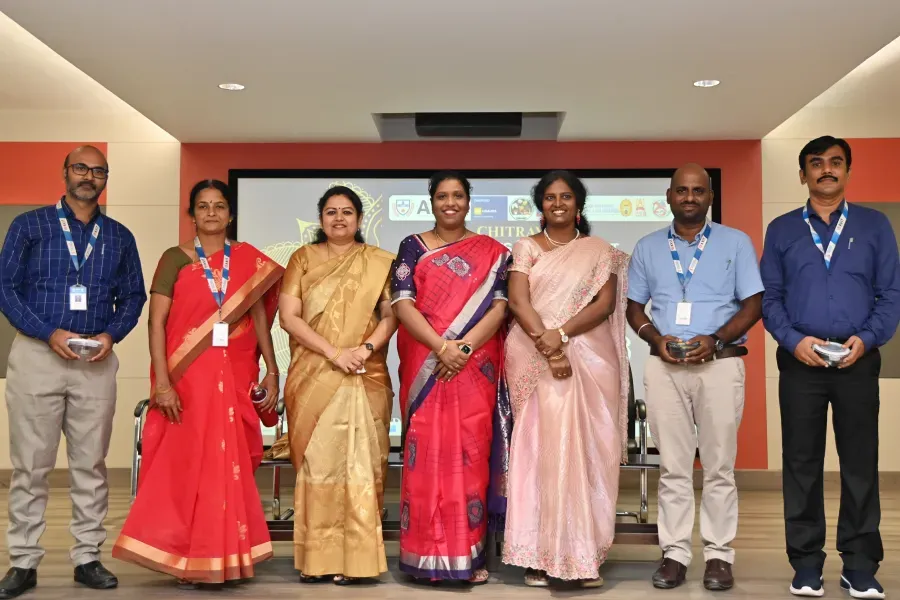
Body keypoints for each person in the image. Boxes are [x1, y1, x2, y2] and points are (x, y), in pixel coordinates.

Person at [111, 179, 283, 585]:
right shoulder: (174, 259)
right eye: (203, 206)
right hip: (188, 381)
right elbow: (156, 324)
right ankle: (187, 557)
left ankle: (229, 556)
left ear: (230, 214)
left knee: (230, 465)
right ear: (192, 215)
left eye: (219, 206)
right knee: (189, 467)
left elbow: (259, 317)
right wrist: (163, 383)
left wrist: (272, 369)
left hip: (235, 376)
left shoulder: (247, 260)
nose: (211, 213)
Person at [0, 146, 147, 598]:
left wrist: (111, 335)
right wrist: (48, 333)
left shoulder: (119, 236)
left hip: (94, 361)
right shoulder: (29, 225)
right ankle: (23, 562)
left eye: (98, 170)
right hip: (37, 355)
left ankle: (87, 557)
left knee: (91, 465)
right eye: (81, 168)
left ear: (105, 179)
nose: (89, 176)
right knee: (30, 466)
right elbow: (6, 288)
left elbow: (135, 296)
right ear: (65, 172)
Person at [761, 136, 900, 599]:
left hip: (858, 358)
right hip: (800, 361)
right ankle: (806, 564)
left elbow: (890, 293)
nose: (826, 169)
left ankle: (859, 564)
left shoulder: (874, 225)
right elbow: (771, 297)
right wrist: (794, 341)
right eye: (816, 163)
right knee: (801, 463)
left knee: (860, 462)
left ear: (848, 171)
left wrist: (869, 337)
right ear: (803, 174)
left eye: (836, 162)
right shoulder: (782, 229)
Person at [626, 163, 763, 591]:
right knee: (673, 467)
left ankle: (719, 555)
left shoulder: (735, 242)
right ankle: (675, 554)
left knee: (719, 466)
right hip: (665, 368)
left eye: (698, 191)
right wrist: (654, 338)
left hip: (720, 365)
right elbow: (634, 308)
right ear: (669, 196)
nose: (690, 197)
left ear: (710, 197)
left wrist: (717, 339)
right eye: (682, 190)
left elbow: (753, 304)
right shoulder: (648, 246)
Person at [262, 186, 398, 585]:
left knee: (362, 467)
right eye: (331, 212)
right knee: (319, 467)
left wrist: (365, 349)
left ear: (359, 219)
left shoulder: (379, 261)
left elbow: (392, 315)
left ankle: (358, 561)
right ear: (321, 219)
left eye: (347, 212)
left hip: (364, 373)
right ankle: (318, 560)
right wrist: (335, 353)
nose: (339, 218)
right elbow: (289, 317)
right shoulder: (302, 258)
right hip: (315, 374)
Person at [502, 171, 630, 588]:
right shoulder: (526, 247)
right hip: (534, 355)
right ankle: (539, 555)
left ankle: (582, 554)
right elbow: (518, 300)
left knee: (590, 452)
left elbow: (604, 305)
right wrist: (551, 347)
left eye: (566, 197)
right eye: (550, 197)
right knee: (538, 452)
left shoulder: (599, 251)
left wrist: (562, 334)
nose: (558, 203)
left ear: (579, 204)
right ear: (541, 205)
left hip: (590, 356)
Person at [391, 172, 510, 584]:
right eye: (442, 196)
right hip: (426, 363)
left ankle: (467, 556)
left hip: (472, 368)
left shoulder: (494, 252)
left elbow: (499, 308)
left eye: (458, 195)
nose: (450, 203)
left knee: (469, 457)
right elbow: (402, 304)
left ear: (468, 201)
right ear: (432, 202)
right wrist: (442, 348)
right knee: (424, 457)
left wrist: (463, 349)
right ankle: (423, 555)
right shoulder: (412, 246)